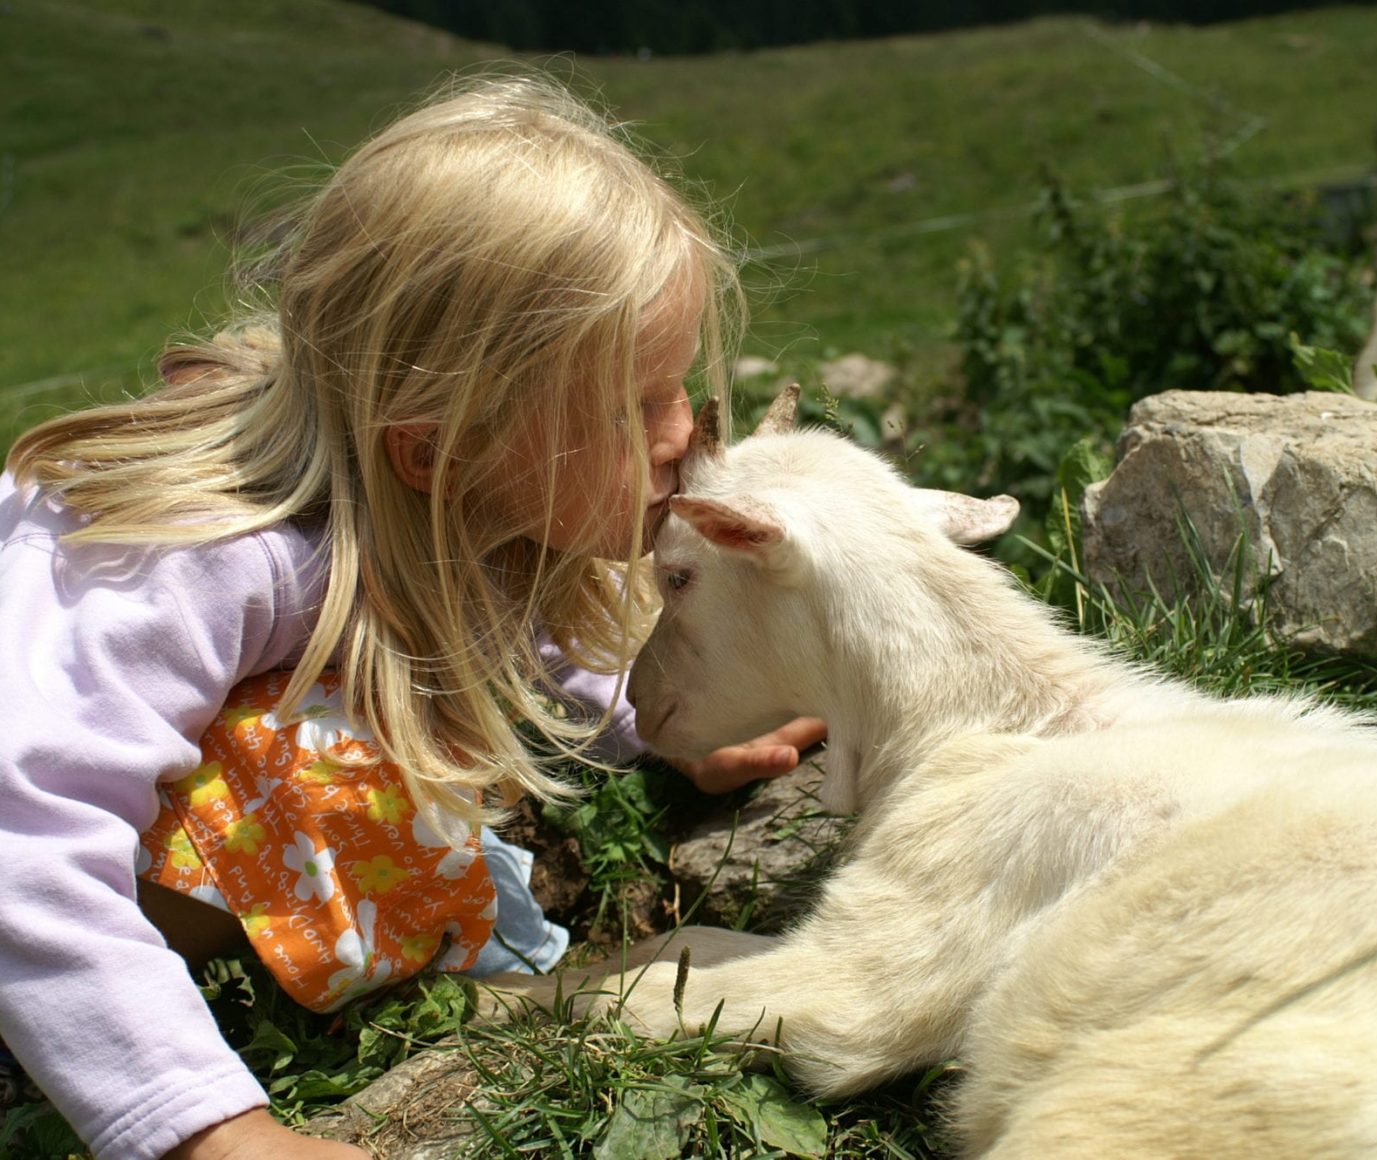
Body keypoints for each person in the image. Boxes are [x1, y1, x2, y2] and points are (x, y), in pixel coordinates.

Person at [0, 71, 826, 1160]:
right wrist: (209, 1130)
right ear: (436, 449)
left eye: (674, 386)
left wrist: (661, 722)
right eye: (634, 407)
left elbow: (499, 598)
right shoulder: (214, 557)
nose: (682, 433)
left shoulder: (431, 493)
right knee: (315, 767)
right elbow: (22, 825)